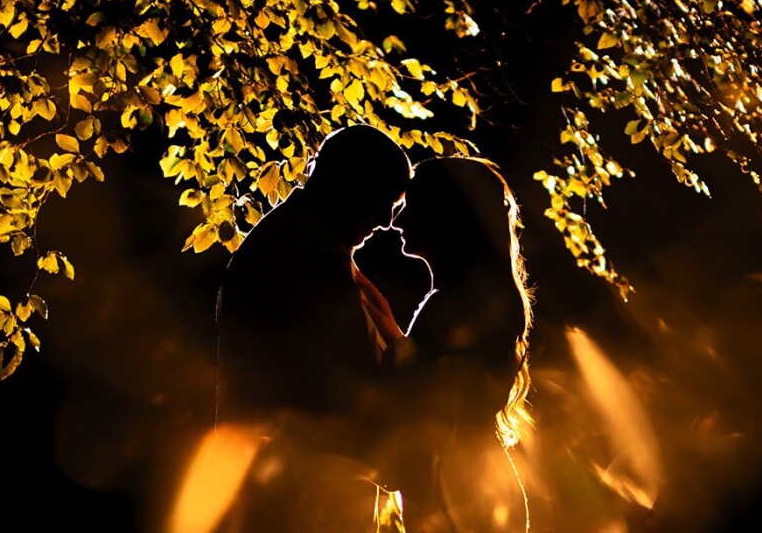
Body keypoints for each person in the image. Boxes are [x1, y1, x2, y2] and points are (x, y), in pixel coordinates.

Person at [214, 124, 414, 530]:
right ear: (348, 185)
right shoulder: (295, 259)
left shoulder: (313, 249)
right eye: (382, 202)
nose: (386, 222)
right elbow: (333, 390)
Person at [360, 156, 535, 532]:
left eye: (412, 206)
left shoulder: (458, 308)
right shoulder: (474, 300)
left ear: (444, 215)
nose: (397, 221)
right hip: (475, 488)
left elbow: (424, 403)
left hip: (463, 499)